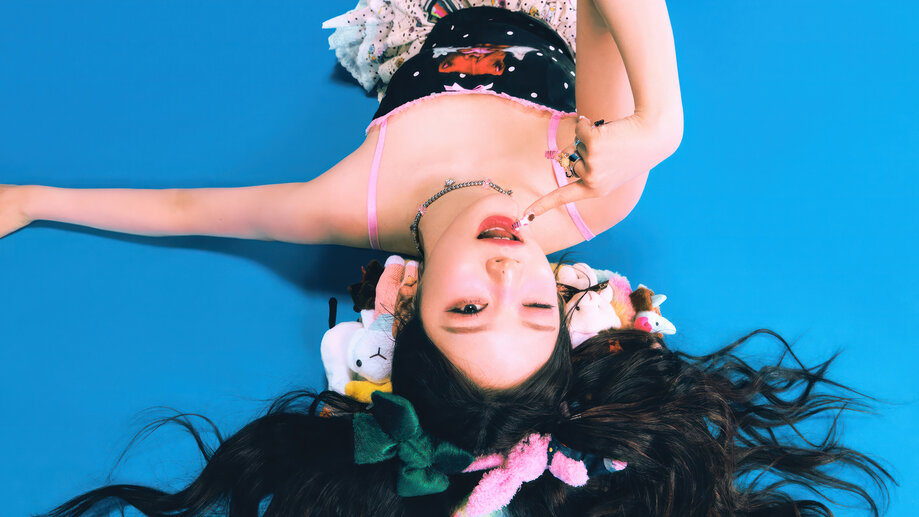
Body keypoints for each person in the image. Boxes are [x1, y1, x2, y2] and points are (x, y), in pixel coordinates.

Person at [0, 1, 892, 516]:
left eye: (467, 311)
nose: (506, 278)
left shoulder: (349, 203)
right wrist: (658, 126)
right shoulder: (592, 188)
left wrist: (30, 199)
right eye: (535, 308)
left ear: (412, 302)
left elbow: (187, 209)